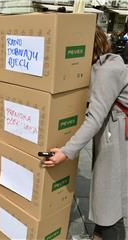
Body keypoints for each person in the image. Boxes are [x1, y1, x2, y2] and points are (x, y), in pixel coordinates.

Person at [41, 26, 128, 240]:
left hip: (117, 135)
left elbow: (95, 118)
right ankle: (97, 235)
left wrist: (65, 152)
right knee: (103, 195)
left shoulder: (106, 71)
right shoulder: (103, 65)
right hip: (112, 130)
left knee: (109, 200)